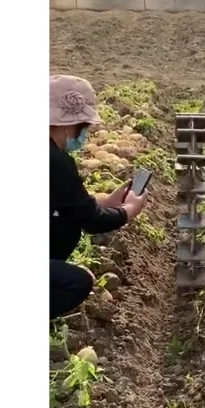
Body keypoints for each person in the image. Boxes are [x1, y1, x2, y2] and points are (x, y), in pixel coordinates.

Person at [50, 75, 148, 319]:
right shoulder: (55, 161)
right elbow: (92, 222)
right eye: (83, 126)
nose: (85, 134)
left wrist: (107, 202)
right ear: (66, 124)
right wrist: (128, 211)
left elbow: (65, 205)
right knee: (77, 282)